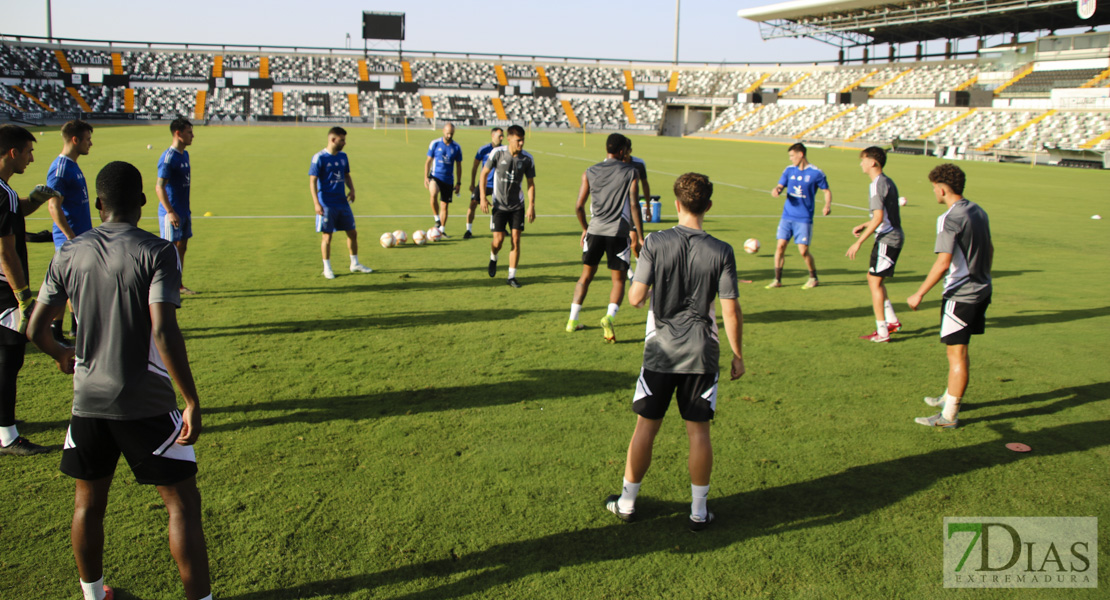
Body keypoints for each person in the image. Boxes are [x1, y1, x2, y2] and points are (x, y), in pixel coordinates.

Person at [28, 161, 214, 600]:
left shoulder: (68, 253)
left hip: (87, 401)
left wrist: (61, 354)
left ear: (98, 204)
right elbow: (164, 330)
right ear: (142, 203)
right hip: (144, 399)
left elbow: (36, 329)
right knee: (181, 503)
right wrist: (190, 399)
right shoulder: (158, 252)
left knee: (88, 503)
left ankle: (94, 596)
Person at [605, 172, 744, 531]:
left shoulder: (656, 242)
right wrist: (738, 354)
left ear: (677, 203)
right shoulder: (722, 250)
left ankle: (628, 502)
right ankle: (699, 511)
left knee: (645, 428)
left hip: (661, 351)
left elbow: (635, 298)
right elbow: (730, 309)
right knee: (698, 433)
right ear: (708, 206)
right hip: (702, 352)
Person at [908, 164, 993, 428]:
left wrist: (919, 293)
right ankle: (949, 396)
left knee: (957, 354)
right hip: (981, 288)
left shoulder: (948, 218)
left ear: (942, 188)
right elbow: (990, 249)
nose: (934, 192)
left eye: (934, 187)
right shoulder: (978, 210)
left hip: (961, 293)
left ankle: (949, 416)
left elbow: (943, 262)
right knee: (960, 350)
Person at [0, 124, 54, 456]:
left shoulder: (5, 193)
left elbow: (12, 212)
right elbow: (6, 252)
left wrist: (33, 201)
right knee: (8, 358)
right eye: (28, 152)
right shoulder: (3, 193)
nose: (32, 159)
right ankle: (7, 436)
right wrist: (23, 298)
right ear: (12, 152)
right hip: (5, 290)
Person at [567, 133, 643, 342]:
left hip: (594, 230)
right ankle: (609, 317)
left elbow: (579, 206)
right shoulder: (631, 172)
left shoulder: (590, 171)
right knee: (618, 280)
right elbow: (635, 205)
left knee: (585, 277)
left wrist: (585, 228)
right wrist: (640, 234)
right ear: (621, 151)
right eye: (627, 150)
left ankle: (572, 321)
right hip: (618, 232)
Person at [846, 146, 903, 343]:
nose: (861, 164)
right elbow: (884, 216)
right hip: (889, 235)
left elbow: (879, 217)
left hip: (888, 238)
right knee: (875, 280)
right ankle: (891, 322)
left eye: (863, 160)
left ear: (872, 162)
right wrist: (865, 224)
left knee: (874, 281)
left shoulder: (877, 184)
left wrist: (858, 242)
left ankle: (883, 331)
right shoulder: (886, 181)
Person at [46, 119, 94, 342]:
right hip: (71, 241)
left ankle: (75, 328)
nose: (90, 144)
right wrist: (70, 238)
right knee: (65, 287)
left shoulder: (72, 165)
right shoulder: (61, 167)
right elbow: (53, 205)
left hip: (80, 238)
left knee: (75, 287)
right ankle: (56, 331)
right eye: (87, 139)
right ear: (75, 140)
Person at [309, 127, 372, 279]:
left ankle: (355, 263)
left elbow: (346, 175)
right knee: (327, 236)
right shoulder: (319, 158)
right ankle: (327, 268)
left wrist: (352, 190)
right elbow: (312, 181)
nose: (344, 143)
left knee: (352, 232)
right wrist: (317, 203)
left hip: (342, 202)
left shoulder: (343, 157)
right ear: (333, 140)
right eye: (342, 140)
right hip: (327, 203)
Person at [767, 142, 831, 289]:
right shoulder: (789, 170)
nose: (790, 159)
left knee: (803, 251)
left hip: (804, 218)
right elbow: (780, 185)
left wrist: (827, 205)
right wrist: (776, 190)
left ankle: (813, 277)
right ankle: (777, 280)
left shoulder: (816, 173)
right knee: (780, 246)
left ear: (801, 155)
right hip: (787, 216)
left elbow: (826, 191)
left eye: (792, 156)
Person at [479, 125, 536, 288]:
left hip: (517, 206)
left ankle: (511, 276)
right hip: (499, 205)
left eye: (523, 140)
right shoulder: (497, 153)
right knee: (498, 241)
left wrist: (531, 205)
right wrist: (483, 197)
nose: (521, 143)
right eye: (518, 140)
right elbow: (483, 174)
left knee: (516, 240)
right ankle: (493, 257)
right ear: (509, 138)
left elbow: (530, 184)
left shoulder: (527, 159)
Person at [156, 117, 198, 295]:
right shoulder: (168, 158)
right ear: (178, 134)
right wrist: (170, 211)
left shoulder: (185, 155)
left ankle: (178, 285)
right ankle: (164, 288)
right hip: (172, 213)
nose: (193, 136)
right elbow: (159, 187)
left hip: (184, 211)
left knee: (182, 247)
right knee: (169, 250)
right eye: (189, 132)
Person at [423, 123, 463, 238]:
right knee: (433, 193)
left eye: (451, 133)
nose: (449, 135)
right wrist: (426, 177)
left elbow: (459, 166)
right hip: (435, 176)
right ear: (443, 131)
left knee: (445, 206)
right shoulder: (435, 143)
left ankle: (441, 230)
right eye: (447, 133)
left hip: (448, 180)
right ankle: (436, 218)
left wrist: (458, 182)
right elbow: (428, 161)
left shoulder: (456, 147)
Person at [465, 127, 503, 239]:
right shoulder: (483, 150)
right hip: (484, 184)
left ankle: (497, 227)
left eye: (502, 136)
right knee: (473, 204)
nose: (501, 138)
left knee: (500, 207)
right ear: (492, 135)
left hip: (498, 184)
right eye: (499, 136)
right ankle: (468, 230)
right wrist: (472, 183)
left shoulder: (504, 150)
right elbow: (475, 167)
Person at [622, 139, 652, 280]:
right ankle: (629, 272)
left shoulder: (638, 164)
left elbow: (645, 185)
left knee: (634, 244)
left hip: (634, 207)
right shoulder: (614, 164)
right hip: (618, 208)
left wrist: (647, 206)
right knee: (623, 243)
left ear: (630, 151)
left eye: (626, 151)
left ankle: (640, 265)